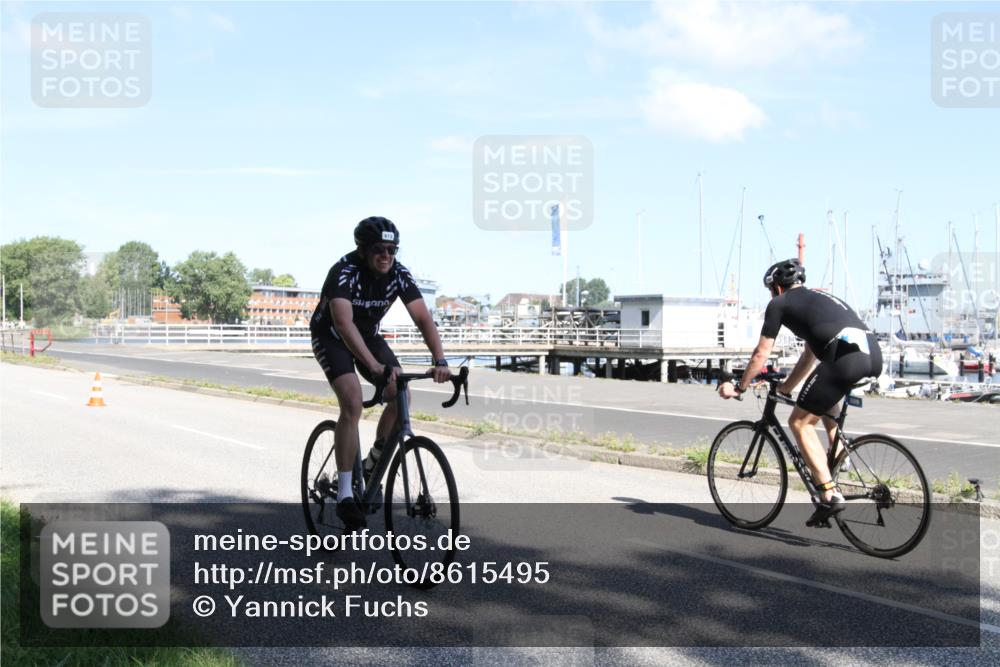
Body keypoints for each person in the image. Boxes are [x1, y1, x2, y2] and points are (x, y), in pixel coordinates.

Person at [310, 216, 451, 529]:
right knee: (353, 400)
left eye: (392, 249)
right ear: (363, 250)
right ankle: (346, 494)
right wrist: (373, 366)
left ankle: (372, 462)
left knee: (400, 393)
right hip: (332, 335)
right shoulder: (344, 272)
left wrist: (440, 360)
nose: (386, 255)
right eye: (379, 249)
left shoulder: (398, 274)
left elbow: (423, 319)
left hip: (368, 334)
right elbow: (344, 324)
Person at [718, 258, 882, 526]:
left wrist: (739, 387)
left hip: (844, 359)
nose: (771, 295)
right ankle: (839, 457)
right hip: (872, 354)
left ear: (777, 288)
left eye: (770, 290)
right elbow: (809, 357)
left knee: (799, 422)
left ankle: (829, 494)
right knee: (826, 404)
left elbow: (761, 353)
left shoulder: (779, 304)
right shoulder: (819, 297)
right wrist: (785, 388)